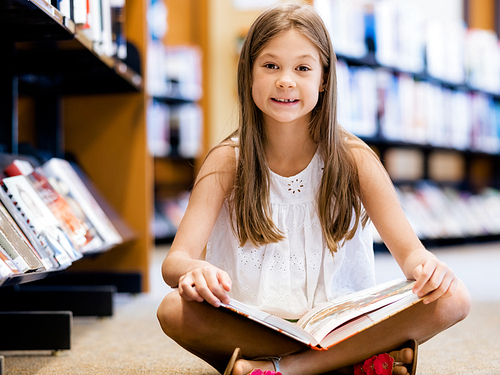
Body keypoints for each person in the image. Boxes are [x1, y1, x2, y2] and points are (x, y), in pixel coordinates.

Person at [157, 3, 471, 375]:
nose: (285, 80)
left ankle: (284, 369)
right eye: (270, 65)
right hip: (256, 321)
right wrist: (193, 270)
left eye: (302, 68)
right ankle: (349, 363)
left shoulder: (355, 158)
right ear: (249, 74)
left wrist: (429, 268)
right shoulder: (228, 160)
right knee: (172, 309)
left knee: (454, 297)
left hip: (343, 322)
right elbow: (174, 262)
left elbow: (412, 257)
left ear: (324, 78)